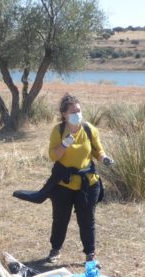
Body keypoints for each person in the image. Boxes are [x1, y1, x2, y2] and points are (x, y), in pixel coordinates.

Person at [45, 94, 114, 264]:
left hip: (88, 182)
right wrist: (64, 145)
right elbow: (53, 156)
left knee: (87, 219)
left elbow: (98, 150)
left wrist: (104, 158)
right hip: (63, 183)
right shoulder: (58, 131)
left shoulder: (89, 129)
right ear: (64, 114)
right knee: (60, 218)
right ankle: (55, 250)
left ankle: (90, 254)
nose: (77, 114)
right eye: (73, 111)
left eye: (79, 110)